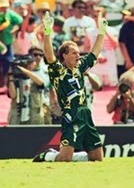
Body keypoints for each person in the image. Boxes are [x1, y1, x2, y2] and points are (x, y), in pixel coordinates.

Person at [33, 11, 107, 162]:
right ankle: (48, 155)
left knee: (97, 158)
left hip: (85, 113)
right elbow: (48, 55)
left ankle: (72, 156)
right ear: (64, 56)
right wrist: (48, 31)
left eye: (78, 53)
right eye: (74, 53)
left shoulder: (79, 66)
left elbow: (94, 53)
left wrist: (101, 32)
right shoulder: (58, 70)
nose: (78, 56)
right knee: (64, 158)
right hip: (71, 114)